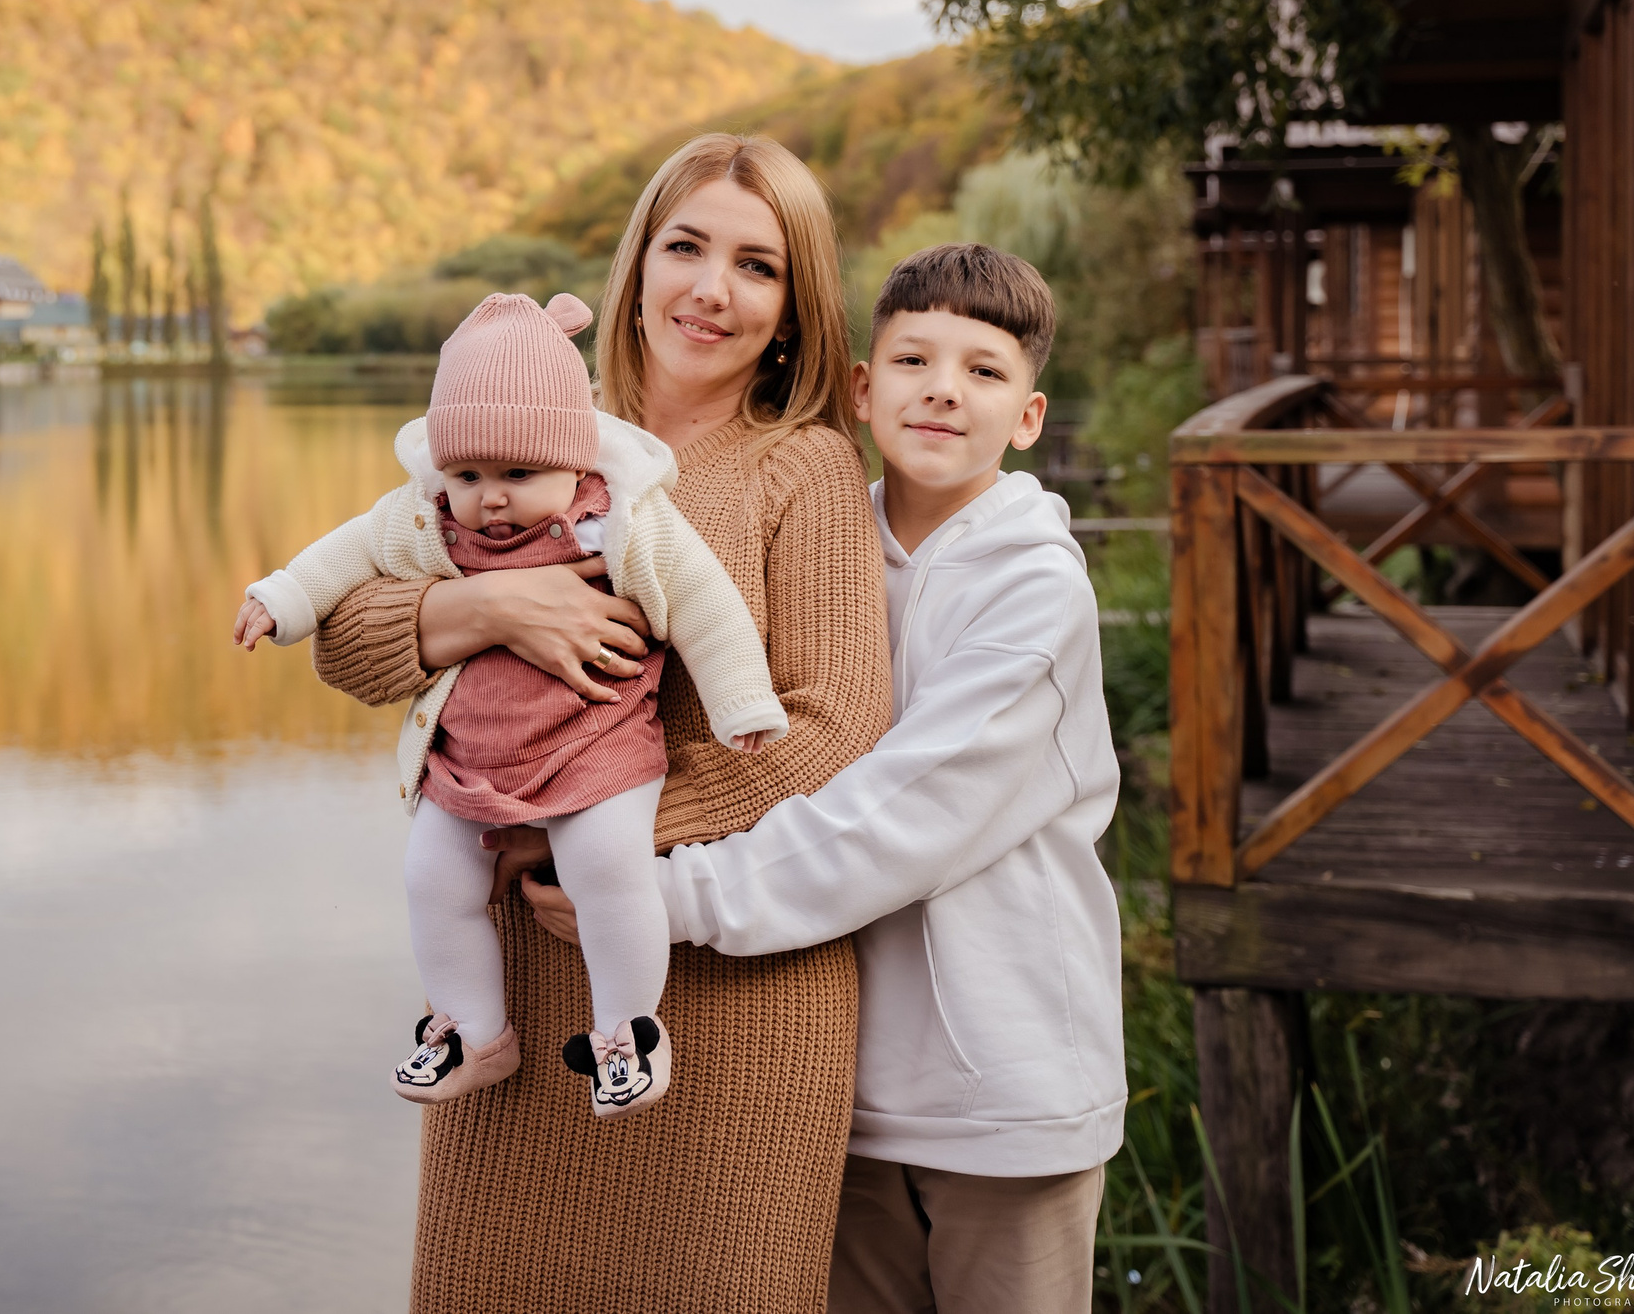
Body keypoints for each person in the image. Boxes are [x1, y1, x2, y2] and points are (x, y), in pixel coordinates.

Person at [310, 135, 894, 1314]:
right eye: (685, 247)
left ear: (794, 310)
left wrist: (575, 823)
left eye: (757, 266)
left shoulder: (804, 468)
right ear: (636, 266)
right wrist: (484, 607)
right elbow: (344, 638)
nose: (710, 289)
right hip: (523, 996)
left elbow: (830, 731)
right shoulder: (528, 427)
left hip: (729, 1001)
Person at [523, 242, 1126, 1314]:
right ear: (859, 389)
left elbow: (906, 814)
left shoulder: (1035, 591)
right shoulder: (823, 538)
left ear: (1028, 417)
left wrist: (657, 897)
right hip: (835, 1088)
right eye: (913, 360)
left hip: (1005, 1089)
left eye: (984, 371)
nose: (944, 390)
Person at [232, 288, 788, 1119]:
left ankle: (627, 1031)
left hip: (597, 750)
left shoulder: (617, 522)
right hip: (471, 764)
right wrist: (281, 599)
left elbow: (706, 602)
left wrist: (740, 700)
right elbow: (344, 555)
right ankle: (474, 1029)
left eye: (518, 475)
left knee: (609, 867)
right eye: (468, 475)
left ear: (574, 460)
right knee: (432, 878)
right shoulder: (424, 521)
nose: (490, 498)